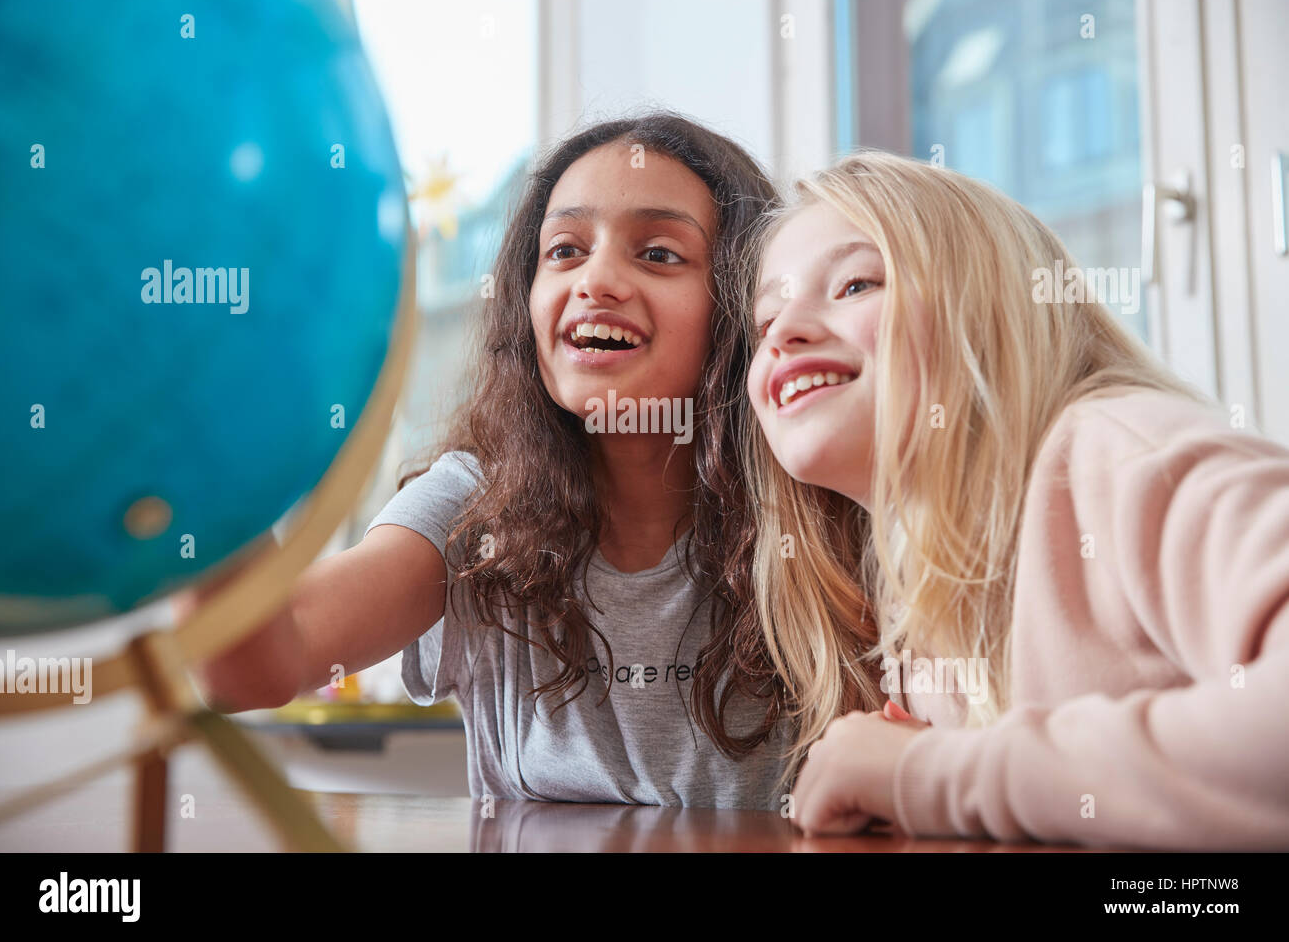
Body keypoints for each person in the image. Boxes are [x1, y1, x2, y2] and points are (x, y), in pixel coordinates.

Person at [185, 113, 795, 810]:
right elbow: (253, 670)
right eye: (564, 251)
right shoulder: (475, 502)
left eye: (658, 255)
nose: (596, 280)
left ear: (743, 304)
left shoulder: (808, 506)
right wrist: (200, 438)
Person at [743, 149, 1289, 848]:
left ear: (988, 309)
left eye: (854, 285)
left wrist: (927, 772)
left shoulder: (1112, 455)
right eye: (766, 323)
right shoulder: (903, 584)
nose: (785, 332)